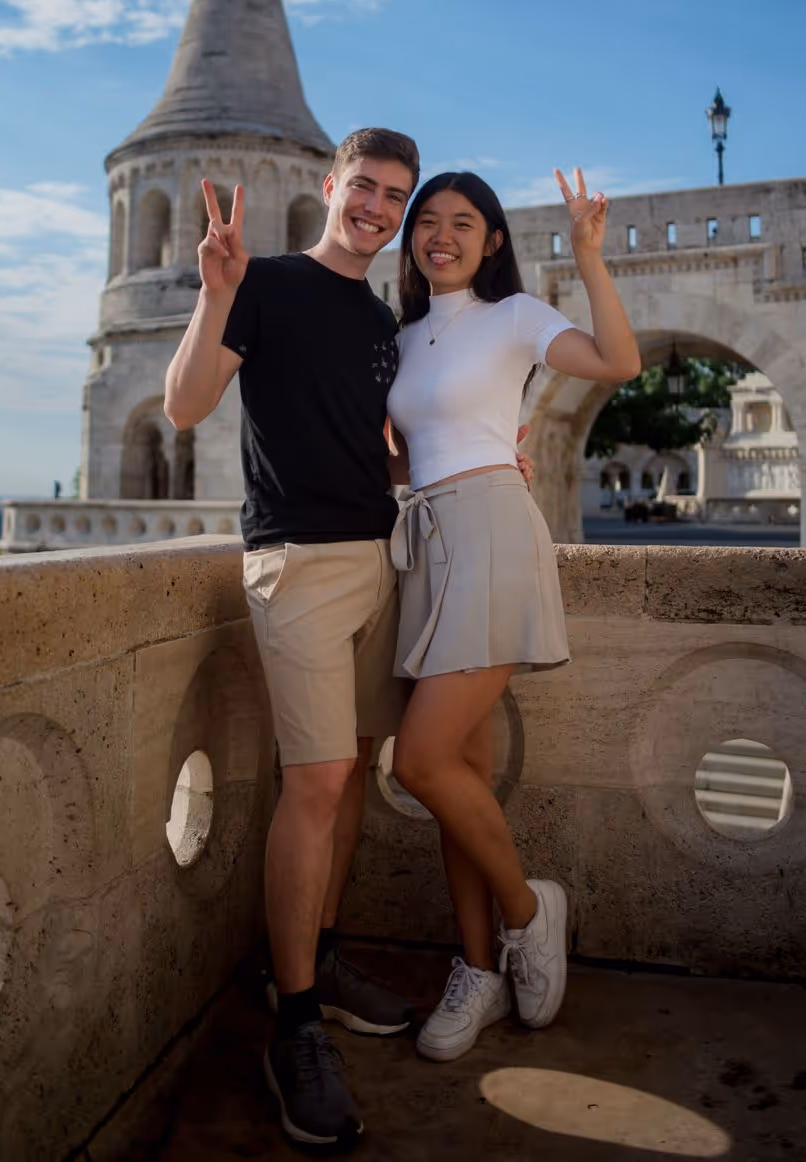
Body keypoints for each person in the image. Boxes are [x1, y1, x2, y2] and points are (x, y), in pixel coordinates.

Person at [164, 129, 421, 1149]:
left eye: (394, 195)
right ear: (329, 186)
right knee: (314, 782)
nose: (377, 207)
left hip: (376, 558)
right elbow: (185, 405)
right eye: (364, 186)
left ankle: (316, 950)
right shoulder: (261, 282)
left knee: (350, 773)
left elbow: (381, 450)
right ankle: (296, 1023)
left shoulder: (379, 318)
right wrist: (213, 291)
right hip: (296, 566)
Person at [385, 167, 640, 1063]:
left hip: (491, 529)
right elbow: (407, 452)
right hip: (425, 543)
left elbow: (617, 364)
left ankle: (529, 913)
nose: (441, 235)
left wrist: (588, 255)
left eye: (464, 222)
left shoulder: (517, 318)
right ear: (411, 239)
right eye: (428, 222)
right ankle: (476, 969)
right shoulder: (404, 333)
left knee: (418, 760)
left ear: (493, 240)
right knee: (460, 771)